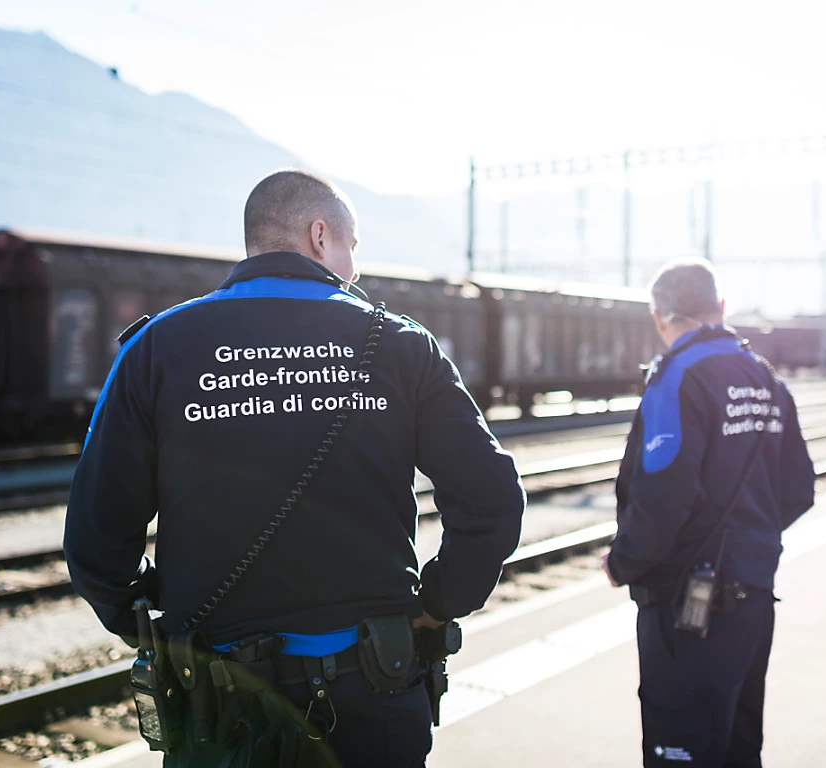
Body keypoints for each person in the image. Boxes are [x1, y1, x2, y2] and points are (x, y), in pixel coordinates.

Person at [64, 169, 526, 767]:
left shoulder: (155, 348)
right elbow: (492, 498)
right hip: (375, 690)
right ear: (318, 236)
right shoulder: (401, 344)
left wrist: (150, 616)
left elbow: (94, 537)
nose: (354, 270)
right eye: (351, 247)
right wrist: (441, 600)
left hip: (222, 712)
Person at [601, 260, 815, 768]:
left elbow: (663, 495)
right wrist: (746, 540)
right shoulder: (766, 379)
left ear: (660, 318)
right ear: (720, 309)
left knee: (682, 751)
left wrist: (622, 562)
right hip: (755, 600)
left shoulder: (676, 379)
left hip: (687, 608)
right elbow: (799, 489)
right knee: (739, 749)